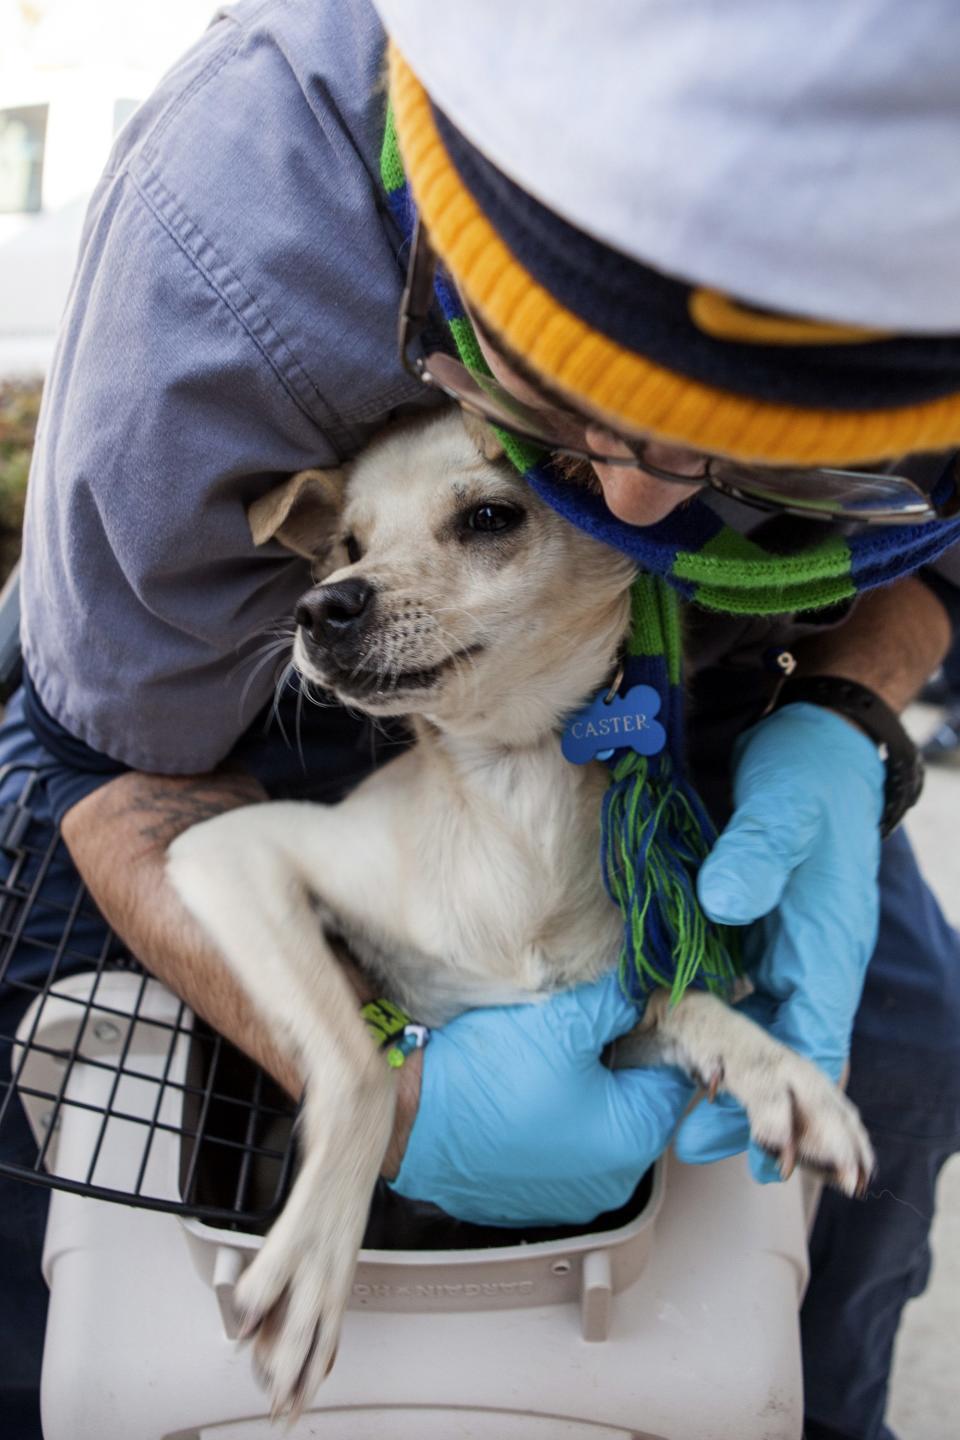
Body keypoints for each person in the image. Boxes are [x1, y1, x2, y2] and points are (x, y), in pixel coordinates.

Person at [2, 3, 959, 1437]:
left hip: (695, 711)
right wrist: (372, 1087)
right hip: (230, 708)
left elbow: (938, 555)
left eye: (761, 455)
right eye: (573, 421)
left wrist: (844, 712)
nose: (642, 512)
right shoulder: (225, 241)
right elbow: (109, 764)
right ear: (459, 231)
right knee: (70, 1118)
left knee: (898, 1043)